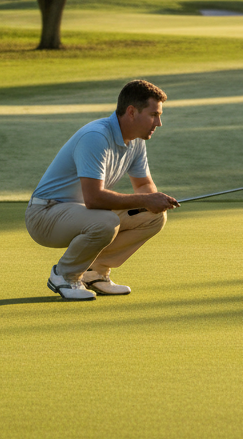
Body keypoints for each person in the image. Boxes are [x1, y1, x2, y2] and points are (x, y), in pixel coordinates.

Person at [26, 79, 178, 301]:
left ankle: (95, 272)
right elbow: (94, 199)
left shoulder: (135, 142)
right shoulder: (96, 137)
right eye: (154, 115)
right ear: (132, 112)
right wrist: (147, 199)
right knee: (106, 221)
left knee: (153, 217)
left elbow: (143, 186)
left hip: (80, 213)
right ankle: (65, 275)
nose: (159, 122)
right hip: (45, 215)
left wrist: (152, 201)